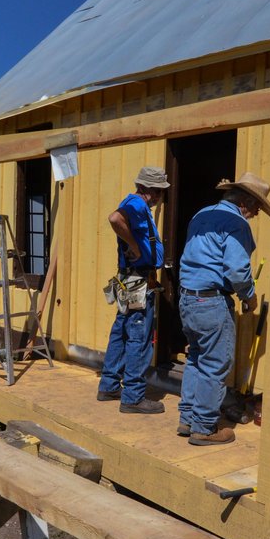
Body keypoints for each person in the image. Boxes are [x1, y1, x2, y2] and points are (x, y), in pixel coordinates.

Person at [176, 172, 270, 445]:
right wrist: (249, 297)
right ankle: (204, 428)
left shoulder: (201, 214)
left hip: (188, 297)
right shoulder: (236, 223)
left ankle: (187, 419)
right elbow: (237, 270)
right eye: (256, 207)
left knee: (196, 358)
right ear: (245, 201)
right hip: (211, 300)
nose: (255, 214)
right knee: (215, 363)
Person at [97, 166, 170, 414]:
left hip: (130, 279)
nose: (161, 196)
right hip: (137, 279)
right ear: (149, 189)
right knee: (139, 336)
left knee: (121, 331)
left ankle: (109, 386)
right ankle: (133, 397)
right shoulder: (136, 205)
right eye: (159, 191)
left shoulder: (137, 205)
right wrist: (136, 249)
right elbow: (114, 218)